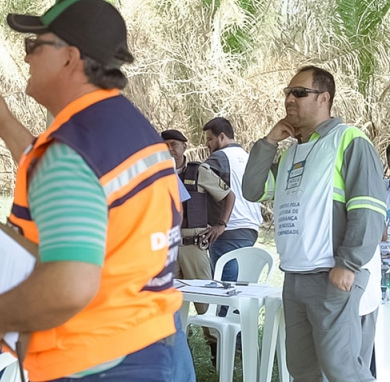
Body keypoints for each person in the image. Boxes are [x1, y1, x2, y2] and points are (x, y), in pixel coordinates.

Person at [0, 0, 182, 381]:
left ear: (70, 57)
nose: (25, 56)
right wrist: (6, 124)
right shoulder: (128, 130)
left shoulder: (69, 153)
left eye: (34, 44)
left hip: (88, 364)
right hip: (141, 348)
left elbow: (70, 287)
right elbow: (76, 188)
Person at [243, 65, 384, 381]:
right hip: (295, 277)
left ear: (324, 98)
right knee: (304, 370)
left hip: (332, 274)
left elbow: (370, 208)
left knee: (342, 369)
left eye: (299, 93)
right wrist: (268, 143)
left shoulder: (348, 140)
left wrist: (348, 264)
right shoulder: (292, 154)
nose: (289, 100)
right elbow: (252, 190)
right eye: (287, 93)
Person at [162, 129, 234, 316]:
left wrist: (221, 224)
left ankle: (213, 342)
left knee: (204, 302)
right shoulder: (156, 174)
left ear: (184, 147)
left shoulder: (198, 171)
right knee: (168, 304)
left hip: (193, 243)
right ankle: (175, 342)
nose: (169, 149)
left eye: (174, 145)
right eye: (165, 145)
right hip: (167, 246)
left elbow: (228, 195)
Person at [202, 117, 264, 287]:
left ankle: (225, 314)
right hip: (250, 229)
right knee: (241, 287)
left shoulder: (219, 158)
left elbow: (200, 185)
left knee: (226, 290)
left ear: (221, 137)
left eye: (209, 139)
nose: (208, 144)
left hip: (227, 231)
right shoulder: (247, 157)